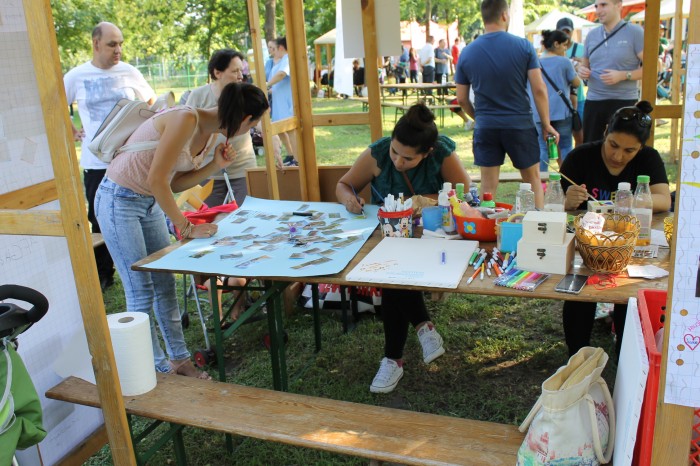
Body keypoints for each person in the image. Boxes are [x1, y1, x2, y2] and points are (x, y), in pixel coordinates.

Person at [95, 83, 269, 378]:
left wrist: (214, 164)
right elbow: (157, 180)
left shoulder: (211, 131)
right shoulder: (185, 119)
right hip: (119, 201)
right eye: (254, 125)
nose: (250, 131)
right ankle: (155, 368)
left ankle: (179, 360)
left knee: (165, 286)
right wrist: (186, 227)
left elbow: (173, 183)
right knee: (140, 291)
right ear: (244, 119)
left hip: (150, 202)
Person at [336, 103, 472, 393]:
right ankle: (422, 330)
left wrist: (425, 199)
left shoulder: (442, 154)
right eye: (395, 152)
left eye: (408, 159)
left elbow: (465, 192)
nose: (398, 161)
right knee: (392, 275)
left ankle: (394, 358)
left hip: (434, 236)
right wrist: (349, 199)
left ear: (427, 153)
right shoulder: (377, 153)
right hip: (388, 235)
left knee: (392, 280)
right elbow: (344, 184)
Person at [559, 101, 671, 358]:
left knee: (631, 293)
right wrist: (567, 201)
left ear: (641, 147)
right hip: (586, 248)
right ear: (606, 131)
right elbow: (554, 203)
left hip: (630, 244)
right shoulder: (581, 157)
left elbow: (664, 199)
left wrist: (630, 201)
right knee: (579, 291)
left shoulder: (648, 158)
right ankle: (577, 353)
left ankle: (627, 352)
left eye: (629, 150)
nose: (618, 156)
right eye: (613, 145)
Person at [63, 22, 156, 292]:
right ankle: (105, 272)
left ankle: (145, 261)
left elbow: (151, 104)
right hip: (96, 164)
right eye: (112, 44)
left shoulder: (129, 72)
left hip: (129, 162)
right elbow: (56, 105)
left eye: (121, 44)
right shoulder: (77, 76)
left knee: (141, 212)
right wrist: (72, 131)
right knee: (98, 217)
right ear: (95, 44)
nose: (118, 50)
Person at [455, 0, 558, 208]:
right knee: (532, 181)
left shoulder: (467, 52)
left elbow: (462, 99)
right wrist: (546, 123)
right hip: (520, 124)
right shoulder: (523, 46)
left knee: (487, 189)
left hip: (486, 127)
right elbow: (539, 89)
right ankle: (536, 226)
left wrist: (479, 118)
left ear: (484, 18)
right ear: (504, 15)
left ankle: (486, 234)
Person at [577, 0, 644, 143]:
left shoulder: (635, 32)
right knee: (590, 147)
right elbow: (584, 65)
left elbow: (653, 68)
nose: (598, 10)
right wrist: (582, 71)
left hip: (624, 100)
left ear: (618, 5)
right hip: (594, 100)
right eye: (596, 6)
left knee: (623, 145)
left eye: (603, 5)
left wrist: (623, 75)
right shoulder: (592, 35)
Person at [529, 30, 580, 171]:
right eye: (564, 45)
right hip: (561, 111)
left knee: (542, 147)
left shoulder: (534, 62)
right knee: (565, 146)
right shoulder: (564, 62)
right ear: (556, 44)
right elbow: (577, 83)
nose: (565, 49)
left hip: (539, 113)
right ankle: (568, 177)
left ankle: (541, 180)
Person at [267, 37, 297, 166]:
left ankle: (297, 159)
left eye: (274, 48)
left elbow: (282, 74)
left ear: (280, 47)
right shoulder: (282, 60)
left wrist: (267, 84)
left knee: (291, 131)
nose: (273, 52)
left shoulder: (287, 59)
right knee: (283, 130)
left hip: (286, 103)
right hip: (280, 102)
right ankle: (292, 156)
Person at [556, 17, 586, 146]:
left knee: (581, 135)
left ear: (573, 31)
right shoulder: (553, 50)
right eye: (562, 31)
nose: (565, 35)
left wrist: (581, 66)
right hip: (560, 99)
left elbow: (588, 71)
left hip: (578, 98)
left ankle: (578, 162)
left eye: (568, 31)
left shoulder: (582, 49)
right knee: (562, 139)